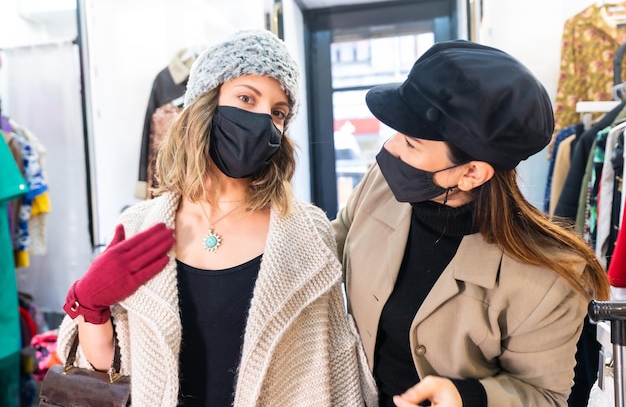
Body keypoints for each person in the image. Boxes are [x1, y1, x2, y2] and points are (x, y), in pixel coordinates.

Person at [56, 29, 377, 407]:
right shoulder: (139, 226)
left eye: (277, 112)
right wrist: (90, 306)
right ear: (205, 104)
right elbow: (108, 370)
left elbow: (333, 372)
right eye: (245, 98)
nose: (262, 121)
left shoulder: (307, 233)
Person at [332, 39, 611, 407]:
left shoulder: (548, 280)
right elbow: (333, 243)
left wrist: (469, 398)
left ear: (471, 173)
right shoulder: (380, 185)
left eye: (411, 143)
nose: (390, 149)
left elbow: (545, 395)